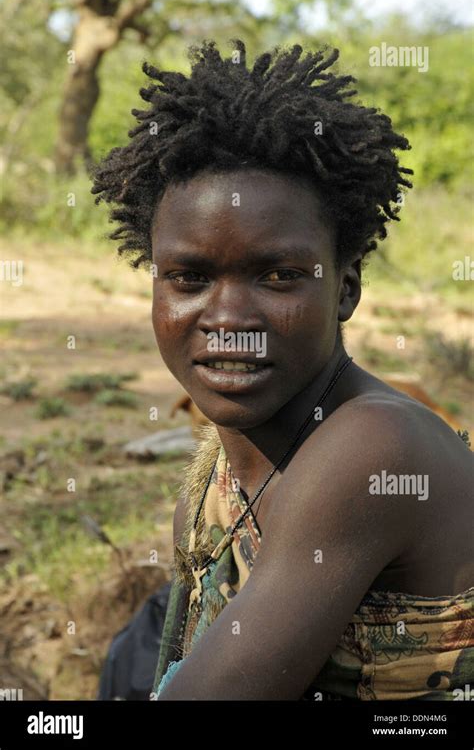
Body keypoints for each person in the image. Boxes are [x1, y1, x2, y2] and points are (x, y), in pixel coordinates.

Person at [91, 39, 473, 701]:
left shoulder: (375, 446)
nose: (229, 316)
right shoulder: (208, 485)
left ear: (347, 288)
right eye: (190, 276)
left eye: (279, 275)